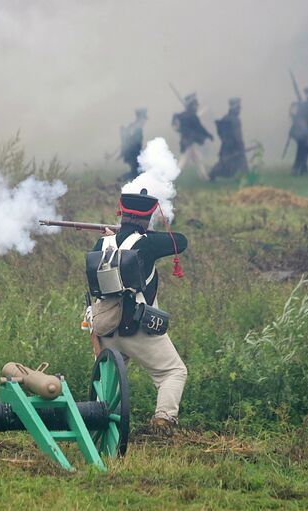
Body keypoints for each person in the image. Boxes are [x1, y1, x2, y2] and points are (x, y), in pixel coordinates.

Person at [90, 189, 188, 430]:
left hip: (105, 327)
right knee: (174, 372)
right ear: (148, 215)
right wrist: (146, 235)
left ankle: (100, 416)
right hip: (137, 326)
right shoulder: (148, 243)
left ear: (122, 212)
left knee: (109, 382)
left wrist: (115, 235)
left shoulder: (102, 242)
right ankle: (163, 420)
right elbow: (181, 241)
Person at [172, 93, 214, 180]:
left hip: (189, 141)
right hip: (189, 142)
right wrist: (208, 135)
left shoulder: (182, 116)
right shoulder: (191, 116)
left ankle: (204, 177)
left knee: (198, 160)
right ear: (191, 105)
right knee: (183, 162)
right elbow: (200, 128)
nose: (197, 106)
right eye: (195, 104)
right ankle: (172, 177)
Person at [209, 97, 249, 181]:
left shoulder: (225, 118)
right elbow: (237, 136)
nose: (239, 111)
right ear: (235, 109)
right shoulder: (235, 120)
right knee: (238, 165)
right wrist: (240, 147)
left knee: (226, 165)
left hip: (226, 147)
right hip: (234, 148)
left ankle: (213, 173)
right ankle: (246, 180)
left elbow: (221, 133)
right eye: (238, 108)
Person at [120, 108, 147, 180]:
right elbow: (134, 144)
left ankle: (121, 179)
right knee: (136, 173)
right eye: (144, 119)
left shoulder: (132, 126)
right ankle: (120, 179)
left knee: (136, 172)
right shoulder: (137, 128)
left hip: (132, 154)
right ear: (141, 119)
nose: (145, 122)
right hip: (133, 155)